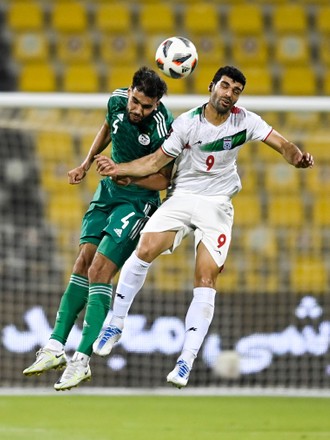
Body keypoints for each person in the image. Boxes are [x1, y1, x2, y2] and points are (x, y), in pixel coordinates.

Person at [92, 65, 314, 388]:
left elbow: (282, 144)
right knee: (145, 248)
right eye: (224, 86)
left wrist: (297, 158)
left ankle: (186, 360)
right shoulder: (186, 124)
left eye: (236, 90)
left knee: (206, 277)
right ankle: (116, 323)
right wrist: (119, 168)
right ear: (212, 87)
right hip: (182, 196)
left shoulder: (246, 121)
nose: (229, 94)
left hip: (217, 205)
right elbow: (155, 162)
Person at [23, 66, 174, 391]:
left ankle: (82, 360)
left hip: (137, 201)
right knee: (81, 263)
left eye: (146, 106)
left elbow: (165, 178)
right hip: (107, 191)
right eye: (135, 101)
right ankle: (53, 347)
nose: (137, 110)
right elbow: (109, 126)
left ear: (157, 104)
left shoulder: (164, 126)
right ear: (130, 91)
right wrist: (87, 162)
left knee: (100, 269)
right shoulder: (117, 100)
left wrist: (126, 174)